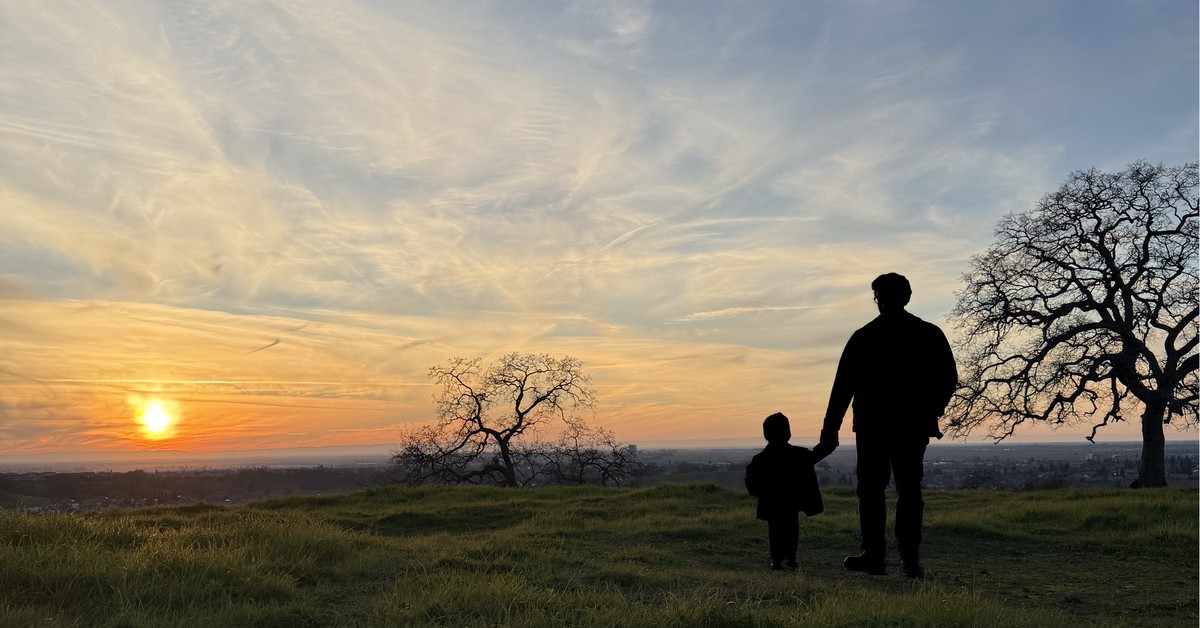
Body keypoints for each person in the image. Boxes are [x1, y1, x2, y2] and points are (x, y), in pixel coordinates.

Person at [815, 273, 957, 579]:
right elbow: (948, 379)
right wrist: (930, 409)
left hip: (877, 427)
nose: (881, 302)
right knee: (903, 491)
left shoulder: (866, 336)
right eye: (879, 297)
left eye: (881, 296)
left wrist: (830, 429)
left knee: (876, 491)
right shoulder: (926, 334)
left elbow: (842, 389)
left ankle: (882, 557)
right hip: (901, 427)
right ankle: (905, 559)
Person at [745, 412, 827, 570]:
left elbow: (751, 481)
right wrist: (828, 440)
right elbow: (817, 454)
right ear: (788, 433)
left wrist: (760, 491)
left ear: (766, 434)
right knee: (792, 528)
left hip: (771, 502)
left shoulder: (760, 459)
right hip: (792, 502)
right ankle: (791, 558)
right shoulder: (799, 454)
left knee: (774, 530)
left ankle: (776, 560)